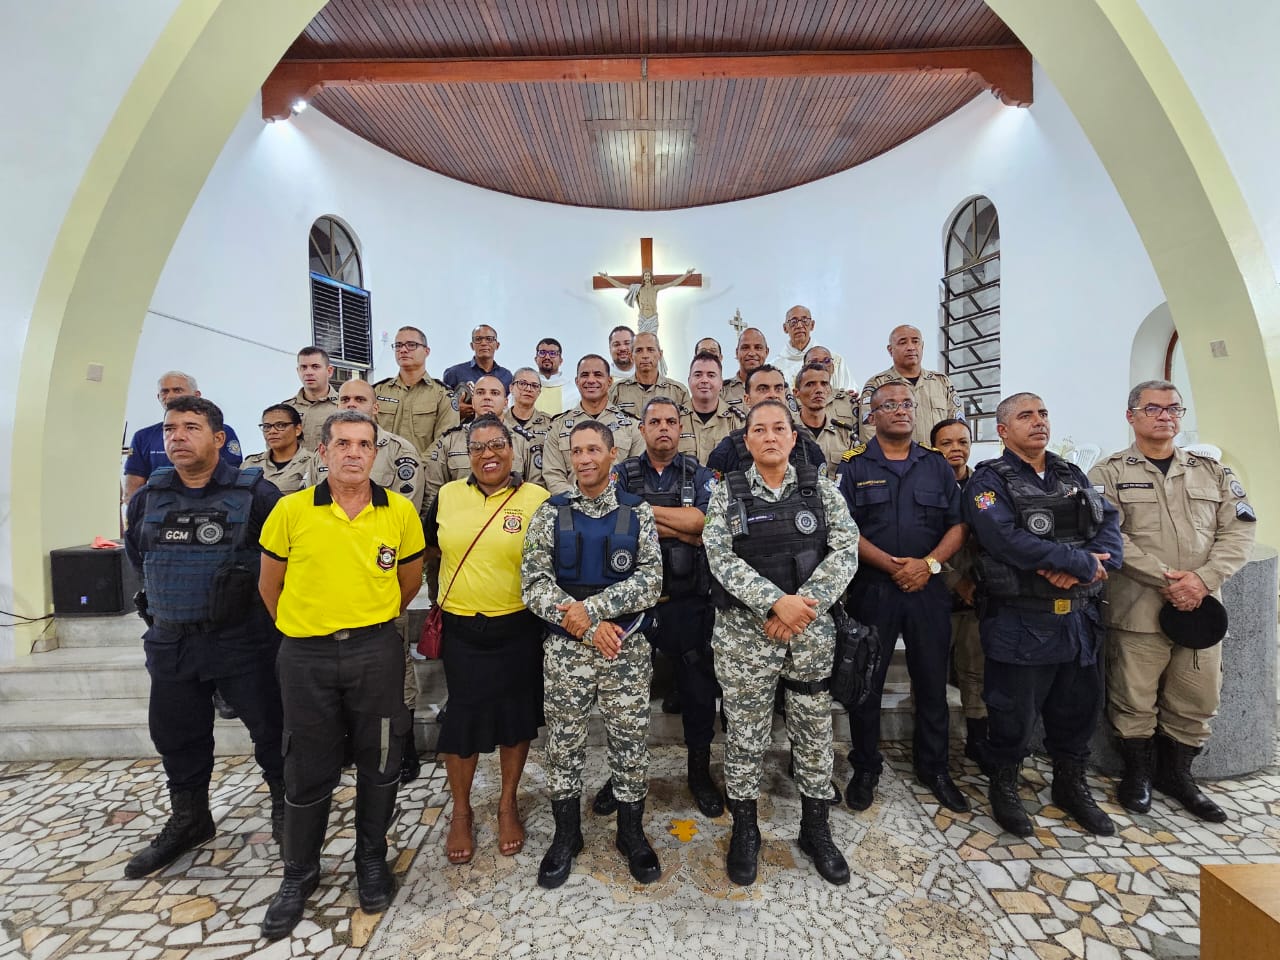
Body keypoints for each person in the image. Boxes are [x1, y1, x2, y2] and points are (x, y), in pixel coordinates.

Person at [257, 411, 425, 939]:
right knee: (307, 766)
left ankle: (370, 861)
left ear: (376, 452)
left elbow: (408, 581)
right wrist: (309, 626)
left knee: (380, 758)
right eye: (343, 444)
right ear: (323, 451)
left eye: (364, 444)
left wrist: (365, 622)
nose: (354, 453)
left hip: (375, 652)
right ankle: (298, 874)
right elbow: (269, 585)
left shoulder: (397, 511)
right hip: (305, 656)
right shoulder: (290, 511)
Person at [122, 396, 284, 879]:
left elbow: (284, 561)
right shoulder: (148, 496)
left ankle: (286, 808)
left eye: (190, 427)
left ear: (219, 438)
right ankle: (191, 818)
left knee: (272, 730)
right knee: (177, 736)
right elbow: (139, 556)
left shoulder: (256, 494)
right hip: (172, 638)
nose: (176, 436)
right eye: (171, 428)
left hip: (243, 638)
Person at [705, 400, 859, 886]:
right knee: (745, 737)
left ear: (793, 438)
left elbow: (846, 549)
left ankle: (816, 829)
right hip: (745, 640)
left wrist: (802, 605)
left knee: (814, 736)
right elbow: (721, 559)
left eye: (779, 429)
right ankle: (746, 831)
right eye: (759, 430)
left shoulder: (822, 490)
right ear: (746, 441)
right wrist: (775, 603)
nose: (770, 437)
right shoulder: (725, 495)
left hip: (809, 636)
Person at [1089, 380, 1255, 822]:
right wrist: (1169, 579)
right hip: (1140, 607)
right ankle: (1138, 774)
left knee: (1197, 700)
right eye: (1154, 408)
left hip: (1201, 610)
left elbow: (1238, 530)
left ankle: (1179, 776)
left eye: (1173, 409)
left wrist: (1201, 580)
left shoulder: (1212, 472)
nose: (1165, 416)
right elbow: (1109, 536)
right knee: (1133, 698)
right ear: (1132, 416)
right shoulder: (1108, 473)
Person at [963, 393, 1123, 838]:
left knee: (1077, 711)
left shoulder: (1071, 474)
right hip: (1021, 621)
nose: (1038, 422)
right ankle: (1005, 788)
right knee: (1013, 714)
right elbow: (1005, 540)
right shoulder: (988, 483)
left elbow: (1107, 523)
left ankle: (1070, 786)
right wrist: (1077, 564)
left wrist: (1095, 563)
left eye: (1043, 414)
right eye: (1025, 416)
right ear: (1003, 430)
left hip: (1078, 620)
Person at [521, 421, 664, 888]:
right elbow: (533, 585)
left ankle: (631, 833)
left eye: (593, 450)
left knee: (629, 743)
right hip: (567, 650)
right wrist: (585, 628)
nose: (583, 459)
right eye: (576, 451)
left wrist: (594, 614)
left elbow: (650, 581)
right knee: (564, 746)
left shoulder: (637, 511)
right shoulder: (551, 512)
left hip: (625, 647)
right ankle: (567, 836)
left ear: (611, 454)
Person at [423, 414, 550, 862]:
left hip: (518, 627)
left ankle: (506, 802)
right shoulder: (447, 497)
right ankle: (461, 812)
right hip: (462, 630)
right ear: (467, 454)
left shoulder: (536, 498)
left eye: (496, 445)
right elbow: (430, 548)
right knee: (462, 721)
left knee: (515, 720)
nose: (487, 454)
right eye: (477, 447)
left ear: (512, 450)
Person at [837, 382, 968, 813]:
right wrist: (892, 566)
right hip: (873, 589)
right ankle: (866, 767)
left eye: (906, 404)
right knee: (866, 684)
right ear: (871, 415)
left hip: (927, 589)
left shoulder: (935, 466)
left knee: (931, 681)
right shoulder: (854, 467)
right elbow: (844, 530)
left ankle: (934, 768)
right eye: (888, 405)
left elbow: (958, 525)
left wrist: (926, 565)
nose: (900, 411)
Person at [603, 397, 723, 818]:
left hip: (689, 601)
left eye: (671, 421)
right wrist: (681, 523)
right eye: (655, 421)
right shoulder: (622, 473)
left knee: (697, 691)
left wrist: (644, 513)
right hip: (633, 605)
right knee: (625, 699)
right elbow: (609, 522)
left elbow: (709, 525)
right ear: (642, 428)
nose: (664, 428)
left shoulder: (699, 473)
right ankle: (620, 776)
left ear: (681, 426)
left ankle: (698, 772)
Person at [321, 378, 427, 780]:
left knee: (396, 669)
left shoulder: (400, 452)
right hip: (331, 581)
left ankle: (406, 747)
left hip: (381, 578)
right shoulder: (326, 450)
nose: (352, 403)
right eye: (345, 398)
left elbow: (403, 515)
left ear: (376, 406)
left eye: (360, 399)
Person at [931, 418, 988, 771]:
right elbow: (921, 540)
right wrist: (955, 582)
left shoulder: (985, 485)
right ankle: (934, 743)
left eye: (962, 442)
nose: (956, 449)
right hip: (938, 588)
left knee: (974, 669)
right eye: (946, 443)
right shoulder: (926, 484)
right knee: (933, 670)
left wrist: (977, 582)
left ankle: (978, 739)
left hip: (979, 591)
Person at [124, 371, 243, 500]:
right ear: (158, 397)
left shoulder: (221, 431)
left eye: (177, 390)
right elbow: (133, 489)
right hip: (159, 508)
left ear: (197, 395)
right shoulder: (143, 436)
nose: (170, 396)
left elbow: (231, 477)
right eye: (165, 391)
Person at [425, 375, 537, 507]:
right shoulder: (449, 441)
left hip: (510, 520)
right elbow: (432, 495)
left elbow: (535, 492)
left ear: (506, 402)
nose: (487, 397)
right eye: (480, 392)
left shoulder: (524, 442)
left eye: (494, 393)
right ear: (473, 401)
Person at [540, 355, 645, 495]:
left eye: (598, 375)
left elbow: (639, 473)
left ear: (609, 381)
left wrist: (618, 502)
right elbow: (553, 475)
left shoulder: (631, 426)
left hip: (620, 508)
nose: (590, 380)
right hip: (573, 509)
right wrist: (579, 502)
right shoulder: (558, 427)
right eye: (584, 375)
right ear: (577, 382)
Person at [707, 365, 824, 475]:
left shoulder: (805, 446)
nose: (772, 395)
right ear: (747, 399)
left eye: (778, 389)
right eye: (763, 389)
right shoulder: (728, 450)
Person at [858, 325, 963, 444]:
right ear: (890, 349)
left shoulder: (942, 382)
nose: (911, 347)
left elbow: (957, 427)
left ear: (922, 346)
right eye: (903, 343)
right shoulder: (877, 384)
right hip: (894, 461)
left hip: (937, 460)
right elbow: (869, 430)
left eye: (915, 342)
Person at [373, 325, 459, 458]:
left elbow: (445, 440)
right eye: (398, 345)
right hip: (382, 472)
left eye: (411, 345)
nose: (403, 350)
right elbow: (368, 434)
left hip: (426, 473)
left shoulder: (443, 395)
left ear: (426, 351)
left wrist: (416, 467)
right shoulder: (377, 392)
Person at [679, 351, 745, 464]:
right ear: (689, 380)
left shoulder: (738, 421)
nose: (704, 380)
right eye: (698, 375)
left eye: (711, 375)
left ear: (720, 382)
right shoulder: (673, 419)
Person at [794, 362, 856, 477]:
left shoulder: (845, 433)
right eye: (810, 384)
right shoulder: (786, 432)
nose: (819, 390)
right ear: (796, 393)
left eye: (824, 384)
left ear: (830, 390)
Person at [772, 305, 854, 390]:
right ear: (785, 328)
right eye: (793, 321)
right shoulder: (774, 367)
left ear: (812, 325)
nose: (799, 325)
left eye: (804, 320)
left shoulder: (834, 360)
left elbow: (849, 393)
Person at [608, 331, 691, 415]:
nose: (645, 355)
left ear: (660, 354)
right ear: (631, 356)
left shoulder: (678, 392)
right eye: (639, 350)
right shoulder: (616, 391)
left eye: (650, 350)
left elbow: (686, 425)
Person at [596, 267, 695, 337]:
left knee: (653, 341)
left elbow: (672, 283)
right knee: (642, 341)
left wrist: (686, 274)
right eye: (645, 276)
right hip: (643, 319)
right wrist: (607, 277)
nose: (647, 277)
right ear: (643, 277)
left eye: (648, 276)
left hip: (652, 319)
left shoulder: (655, 288)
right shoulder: (638, 289)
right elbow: (620, 285)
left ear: (651, 277)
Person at [241, 404, 314, 493]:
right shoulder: (250, 464)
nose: (272, 431)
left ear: (297, 429)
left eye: (280, 425)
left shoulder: (312, 463)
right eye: (267, 426)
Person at [282, 346, 340, 450]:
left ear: (329, 371)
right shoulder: (286, 409)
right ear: (298, 371)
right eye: (303, 367)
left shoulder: (344, 407)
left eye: (315, 366)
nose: (308, 372)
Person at [506, 367, 556, 475]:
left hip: (541, 488)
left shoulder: (551, 424)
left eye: (534, 386)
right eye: (522, 383)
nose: (528, 389)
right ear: (511, 388)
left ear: (539, 392)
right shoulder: (499, 423)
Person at [443, 324, 513, 392]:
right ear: (472, 346)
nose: (483, 343)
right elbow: (445, 403)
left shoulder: (506, 376)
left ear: (497, 345)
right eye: (478, 339)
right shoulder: (454, 373)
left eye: (489, 339)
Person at [805, 346, 860, 423]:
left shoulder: (848, 400)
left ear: (833, 368)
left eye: (827, 361)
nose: (821, 365)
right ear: (803, 369)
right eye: (814, 362)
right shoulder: (796, 400)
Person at [721, 327, 769, 410]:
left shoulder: (779, 388)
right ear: (737, 352)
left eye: (758, 348)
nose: (751, 353)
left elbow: (793, 420)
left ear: (766, 352)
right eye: (745, 348)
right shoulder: (723, 391)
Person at [533, 338, 579, 414]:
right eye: (542, 353)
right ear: (536, 359)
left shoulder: (573, 392)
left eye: (552, 353)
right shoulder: (525, 388)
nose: (547, 357)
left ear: (561, 361)